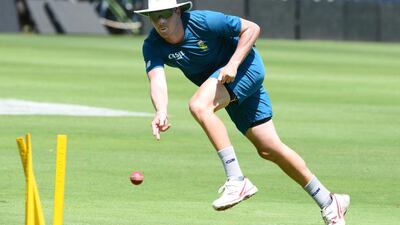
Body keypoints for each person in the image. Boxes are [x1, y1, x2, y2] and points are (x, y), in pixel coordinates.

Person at [134, 0, 350, 224]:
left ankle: (237, 180)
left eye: (165, 14)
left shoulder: (204, 21)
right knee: (268, 148)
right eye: (154, 16)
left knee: (199, 105)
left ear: (177, 11)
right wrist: (161, 110)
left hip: (245, 68)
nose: (160, 21)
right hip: (222, 83)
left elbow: (252, 28)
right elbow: (156, 79)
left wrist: (234, 63)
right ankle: (329, 201)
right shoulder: (152, 45)